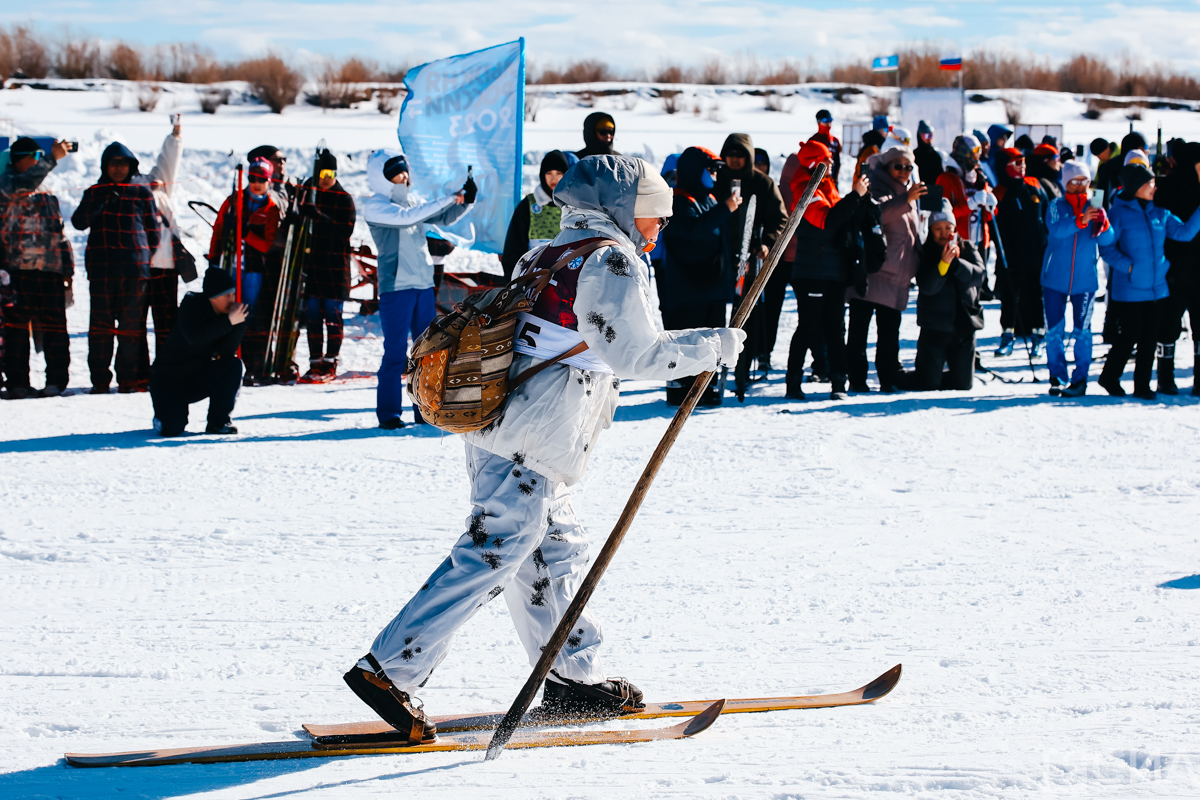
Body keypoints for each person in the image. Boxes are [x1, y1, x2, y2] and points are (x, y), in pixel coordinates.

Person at [342, 155, 746, 738]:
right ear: (620, 209)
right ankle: (391, 668)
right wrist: (715, 345)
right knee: (499, 546)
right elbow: (634, 355)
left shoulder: (550, 250)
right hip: (529, 433)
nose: (659, 226)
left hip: (505, 419)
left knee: (554, 546)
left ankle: (570, 675)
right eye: (651, 213)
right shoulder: (609, 260)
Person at [365, 150, 473, 429]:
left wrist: (465, 201)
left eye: (404, 171)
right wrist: (449, 197)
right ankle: (389, 414)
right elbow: (407, 217)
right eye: (395, 173)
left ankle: (424, 410)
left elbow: (443, 217)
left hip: (423, 284)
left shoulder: (413, 201)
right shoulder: (376, 206)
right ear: (382, 178)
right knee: (395, 352)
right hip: (396, 288)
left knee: (427, 352)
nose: (403, 177)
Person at [1099, 161, 1200, 399]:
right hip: (1130, 289)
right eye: (1150, 182)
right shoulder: (1118, 214)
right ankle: (1109, 377)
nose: (1155, 186)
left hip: (1158, 289)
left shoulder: (1160, 213)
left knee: (1150, 338)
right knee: (1129, 336)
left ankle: (1142, 386)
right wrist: (1129, 267)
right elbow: (1106, 249)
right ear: (1135, 186)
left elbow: (1184, 233)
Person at [72, 141, 161, 394]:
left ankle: (128, 380)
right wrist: (100, 202)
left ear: (131, 166)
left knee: (131, 328)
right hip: (102, 270)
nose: (119, 169)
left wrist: (143, 257)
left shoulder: (142, 191)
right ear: (105, 166)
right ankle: (100, 380)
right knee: (100, 328)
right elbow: (79, 222)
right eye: (113, 164)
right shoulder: (94, 191)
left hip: (135, 271)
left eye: (123, 164)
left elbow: (153, 232)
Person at [785, 139, 871, 400]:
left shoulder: (826, 186)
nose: (832, 163)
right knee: (808, 328)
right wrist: (855, 196)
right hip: (812, 272)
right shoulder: (805, 188)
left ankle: (838, 383)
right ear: (814, 163)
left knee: (835, 328)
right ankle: (793, 384)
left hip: (833, 270)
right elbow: (828, 221)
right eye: (826, 160)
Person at [660, 146, 739, 405]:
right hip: (688, 289)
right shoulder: (678, 200)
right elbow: (691, 231)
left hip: (711, 287)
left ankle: (704, 389)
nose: (716, 174)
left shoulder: (709, 198)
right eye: (711, 169)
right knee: (687, 342)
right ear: (696, 170)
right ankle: (682, 392)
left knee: (711, 342)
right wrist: (725, 209)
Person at [846, 145, 923, 393]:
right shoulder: (876, 186)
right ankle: (857, 379)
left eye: (908, 167)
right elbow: (876, 214)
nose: (903, 171)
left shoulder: (907, 192)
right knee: (859, 331)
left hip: (896, 279)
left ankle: (888, 378)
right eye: (898, 166)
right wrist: (905, 200)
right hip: (872, 274)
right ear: (887, 166)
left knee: (889, 334)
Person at [0, 137, 73, 398]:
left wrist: (68, 270)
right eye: (35, 156)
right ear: (20, 158)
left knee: (56, 329)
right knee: (17, 331)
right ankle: (18, 382)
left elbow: (60, 232)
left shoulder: (46, 189)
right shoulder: (7, 183)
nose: (38, 162)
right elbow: (23, 184)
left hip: (50, 271)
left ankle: (56, 382)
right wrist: (51, 158)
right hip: (16, 271)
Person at [715, 133, 786, 398]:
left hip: (750, 258)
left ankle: (742, 372)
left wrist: (766, 242)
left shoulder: (762, 183)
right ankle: (712, 374)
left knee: (745, 318)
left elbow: (780, 219)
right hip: (717, 258)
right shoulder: (716, 178)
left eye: (740, 155)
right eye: (730, 154)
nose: (734, 160)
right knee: (715, 318)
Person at [1040, 161, 1114, 397]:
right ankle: (1057, 375)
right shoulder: (1056, 204)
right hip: (1055, 278)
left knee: (1083, 330)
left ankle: (1080, 378)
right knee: (1054, 330)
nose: (1081, 186)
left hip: (1085, 279)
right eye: (1075, 181)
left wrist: (1104, 224)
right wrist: (1079, 221)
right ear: (1065, 182)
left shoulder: (1096, 203)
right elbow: (1056, 229)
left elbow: (1107, 241)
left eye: (1085, 181)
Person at [150, 267, 248, 436]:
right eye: (227, 296)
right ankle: (162, 418)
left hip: (196, 377)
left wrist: (238, 325)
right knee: (172, 429)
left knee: (233, 365)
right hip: (169, 381)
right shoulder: (191, 306)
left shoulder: (226, 317)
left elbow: (225, 353)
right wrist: (229, 322)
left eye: (233, 294)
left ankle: (219, 422)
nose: (232, 300)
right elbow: (195, 338)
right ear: (213, 297)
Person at [910, 201, 986, 391]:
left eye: (948, 228)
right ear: (931, 230)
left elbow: (979, 276)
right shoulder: (925, 252)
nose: (944, 233)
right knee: (927, 384)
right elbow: (927, 287)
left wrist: (957, 263)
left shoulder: (967, 248)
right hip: (934, 327)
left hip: (964, 325)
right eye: (938, 229)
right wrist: (943, 264)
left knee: (963, 385)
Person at [299, 148, 356, 383]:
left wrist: (319, 217)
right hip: (312, 267)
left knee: (333, 316)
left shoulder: (344, 198)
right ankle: (314, 361)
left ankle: (331, 361)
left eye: (330, 172)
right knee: (312, 315)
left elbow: (344, 231)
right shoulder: (308, 192)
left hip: (335, 267)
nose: (325, 177)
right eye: (321, 171)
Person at [206, 159, 282, 326]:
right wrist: (213, 258)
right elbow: (218, 230)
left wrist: (246, 233)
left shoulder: (271, 209)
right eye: (252, 178)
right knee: (225, 306)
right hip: (228, 264)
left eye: (261, 180)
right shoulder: (233, 201)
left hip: (253, 269)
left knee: (247, 310)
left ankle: (246, 347)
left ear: (269, 181)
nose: (256, 183)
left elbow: (266, 245)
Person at [1152, 140, 1200, 395]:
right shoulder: (1169, 186)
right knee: (1173, 323)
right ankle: (1170, 378)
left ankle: (1181, 379)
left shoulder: (1171, 184)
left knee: (1183, 324)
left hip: (1184, 268)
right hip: (1177, 267)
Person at [140, 118, 185, 385]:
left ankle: (167, 369)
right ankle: (141, 372)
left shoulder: (160, 184)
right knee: (136, 324)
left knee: (167, 322)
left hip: (166, 267)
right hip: (139, 267)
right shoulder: (131, 187)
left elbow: (169, 162)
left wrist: (176, 136)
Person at [993, 147, 1049, 357]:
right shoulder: (1000, 191)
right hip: (1011, 257)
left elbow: (1046, 211)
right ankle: (1007, 334)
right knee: (1009, 297)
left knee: (1035, 296)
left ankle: (1038, 335)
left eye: (1023, 162)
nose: (1022, 167)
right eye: (1017, 163)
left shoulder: (1034, 184)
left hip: (1036, 253)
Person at [502, 150, 570, 279]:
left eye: (558, 173)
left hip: (566, 279)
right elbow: (513, 247)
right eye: (549, 173)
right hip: (532, 278)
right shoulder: (528, 205)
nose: (553, 178)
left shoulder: (574, 205)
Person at [936, 135, 996, 259]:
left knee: (982, 277)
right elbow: (943, 215)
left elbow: (987, 216)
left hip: (980, 241)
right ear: (964, 153)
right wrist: (970, 204)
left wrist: (992, 207)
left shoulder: (979, 176)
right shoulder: (946, 178)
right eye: (975, 151)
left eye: (979, 151)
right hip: (959, 243)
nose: (978, 156)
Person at [808, 109, 842, 183]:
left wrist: (835, 179)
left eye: (830, 120)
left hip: (831, 179)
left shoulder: (835, 141)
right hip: (816, 180)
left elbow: (837, 162)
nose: (829, 123)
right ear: (819, 122)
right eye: (825, 120)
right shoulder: (813, 141)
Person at [1091, 138, 1120, 209]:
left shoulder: (1122, 157)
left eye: (1099, 156)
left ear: (1106, 149)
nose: (1099, 159)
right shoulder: (1102, 165)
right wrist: (1095, 206)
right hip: (1107, 206)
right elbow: (1099, 186)